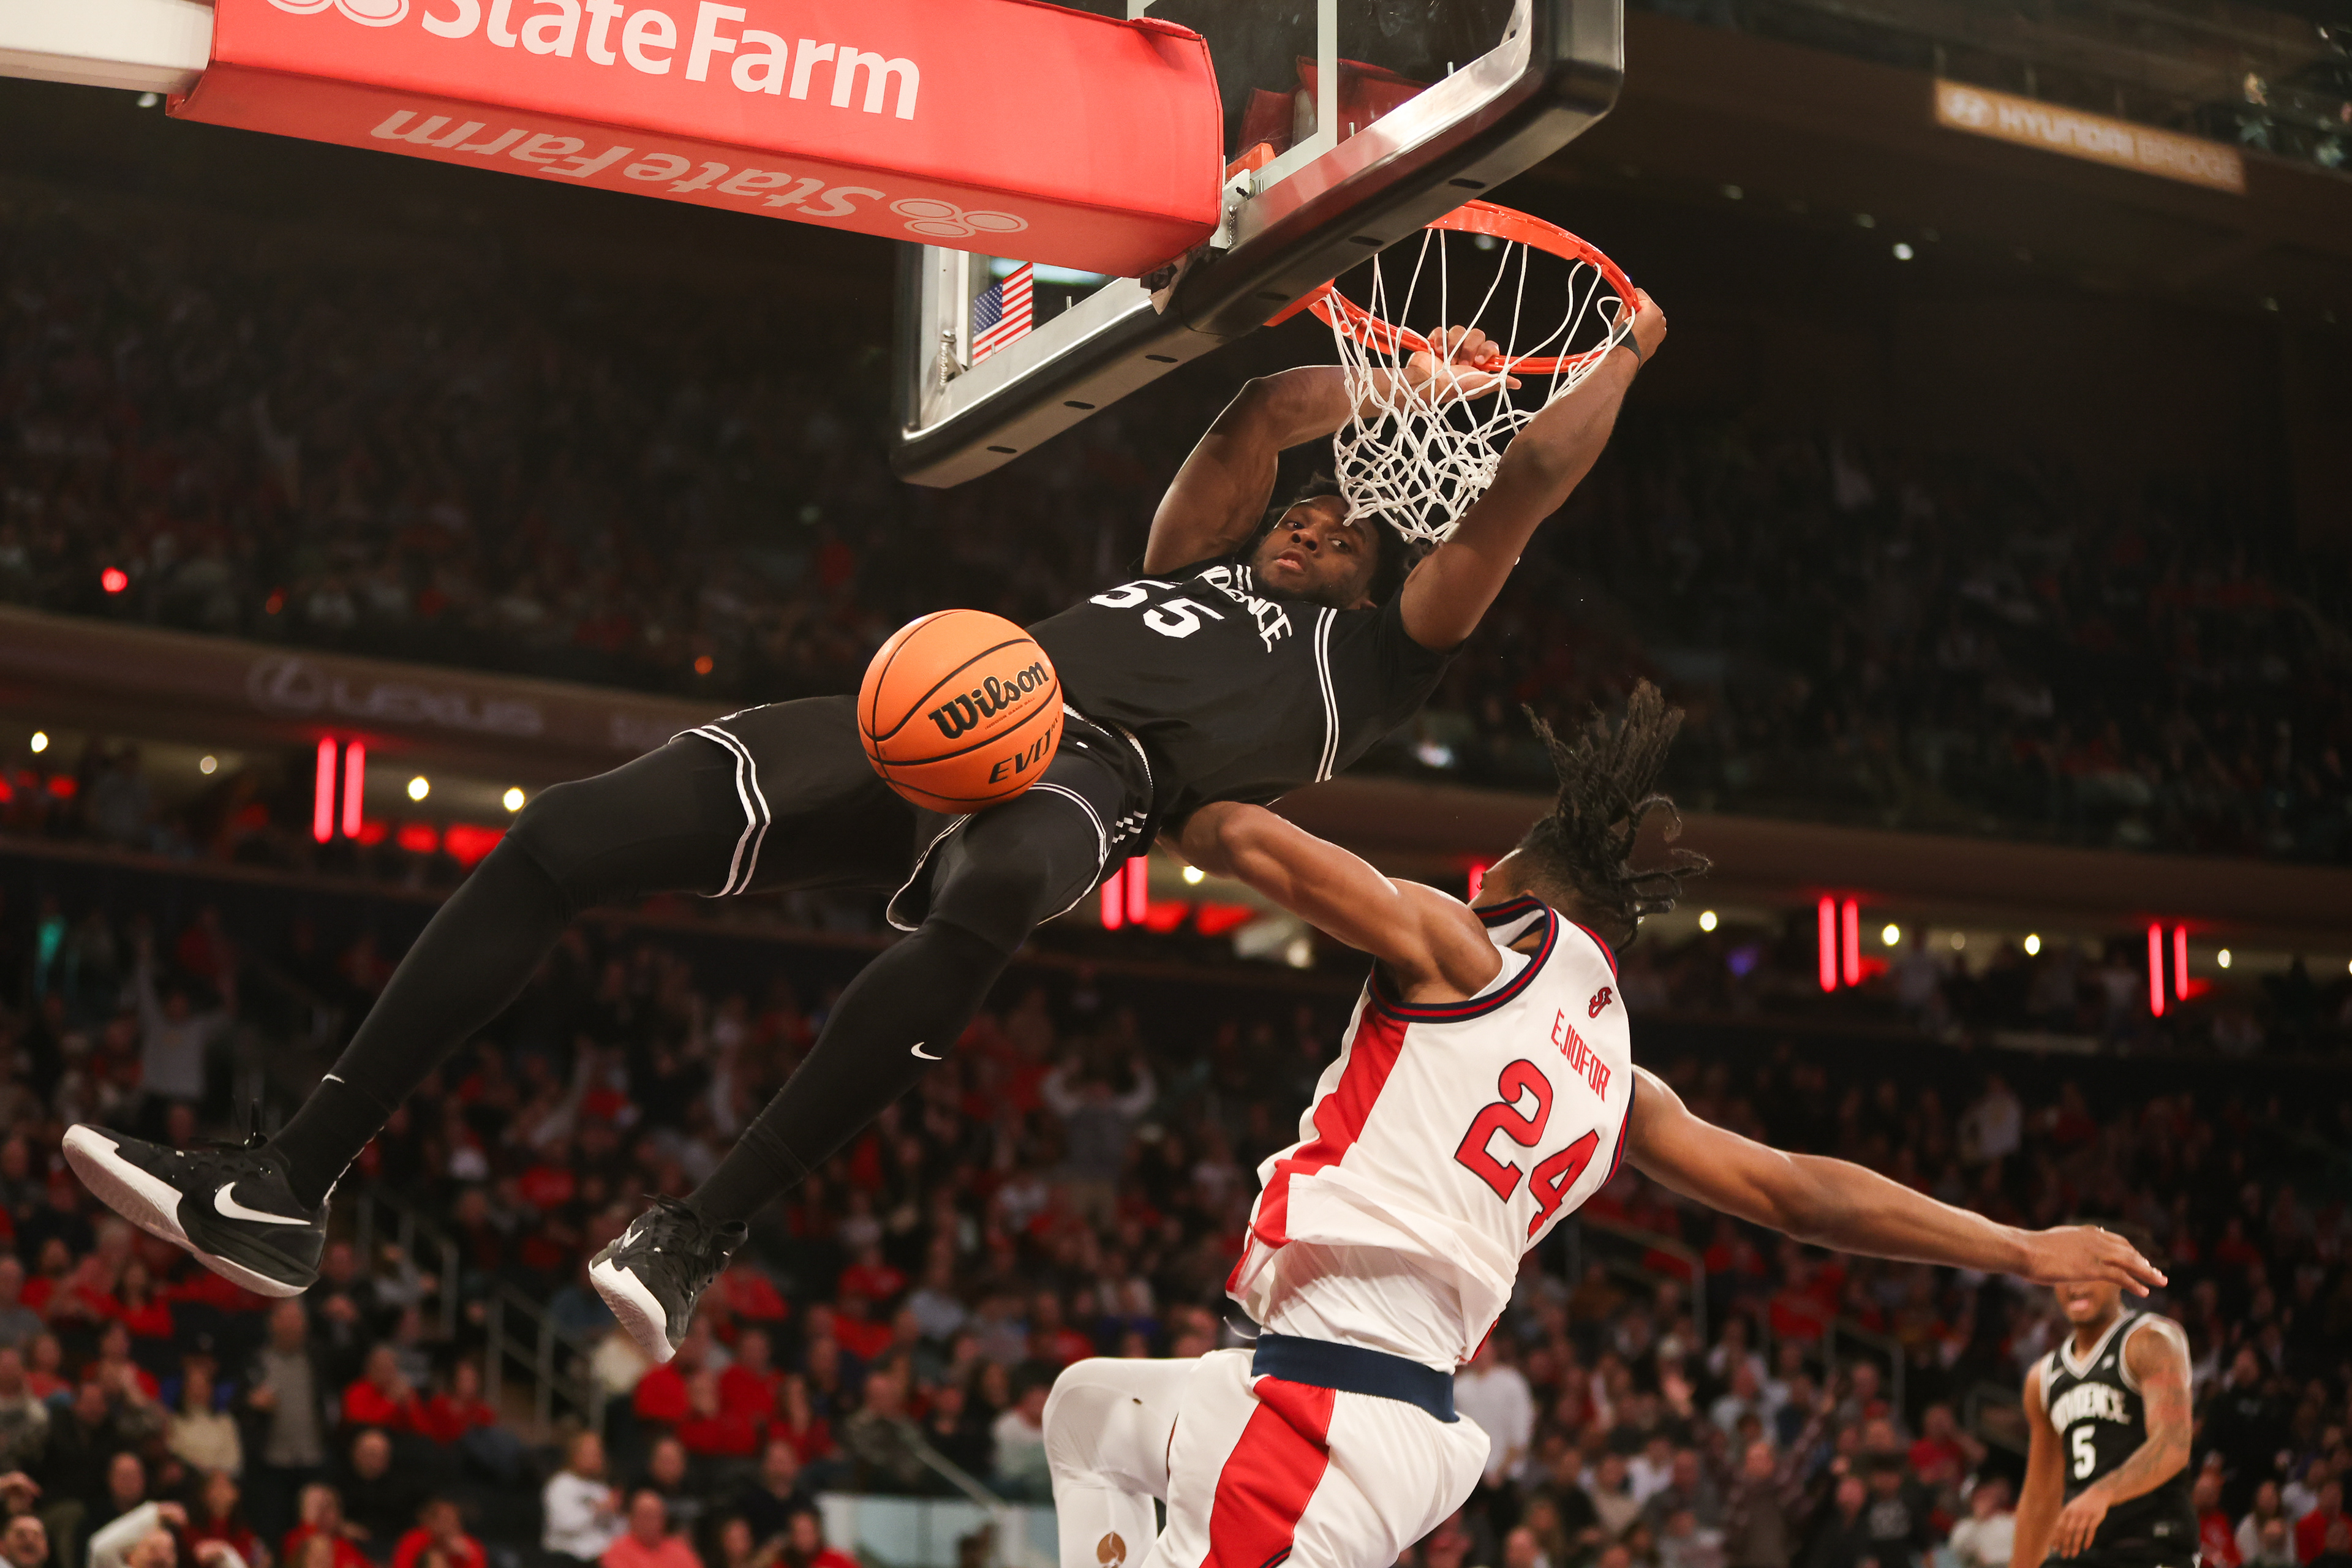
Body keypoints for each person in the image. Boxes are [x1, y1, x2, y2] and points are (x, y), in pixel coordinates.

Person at [62, 298, 1672, 1366]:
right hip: (920, 716)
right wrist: (1392, 377)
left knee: (993, 889)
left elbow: (1521, 485)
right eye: (1311, 502)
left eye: (1352, 519)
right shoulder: (1193, 553)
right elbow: (1261, 407)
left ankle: (694, 1236)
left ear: (1390, 565)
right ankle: (288, 1183)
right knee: (564, 838)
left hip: (1081, 780)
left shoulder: (1377, 661)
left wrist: (1603, 360)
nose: (1322, 511)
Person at [1041, 683, 2162, 1568]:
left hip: (1324, 1414)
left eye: (1491, 875)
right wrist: (2017, 1247)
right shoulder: (1620, 1085)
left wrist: (1128, 752)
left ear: (1521, 882)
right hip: (1357, 1398)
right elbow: (1797, 1192)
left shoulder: (1466, 947)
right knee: (1087, 1415)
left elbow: (1242, 841)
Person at [2011, 1239, 2193, 1568]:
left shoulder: (2150, 1340)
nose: (2077, 1283)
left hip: (2152, 1543)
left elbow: (2172, 1446)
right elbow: (2039, 1497)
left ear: (2119, 1275)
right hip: (2080, 1553)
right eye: (2066, 1274)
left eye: (2089, 1270)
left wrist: (2103, 1492)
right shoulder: (2043, 1378)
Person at [543, 1433, 625, 1565]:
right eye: (589, 1453)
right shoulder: (561, 1484)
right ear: (574, 1455)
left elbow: (617, 1533)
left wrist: (618, 1512)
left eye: (598, 1453)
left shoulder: (602, 1489)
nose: (595, 1458)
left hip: (600, 1558)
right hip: (566, 1557)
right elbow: (565, 1524)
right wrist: (598, 1509)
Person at [601, 1492, 700, 1568]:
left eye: (656, 1516)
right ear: (632, 1519)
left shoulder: (679, 1550)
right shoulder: (617, 1552)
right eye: (645, 1515)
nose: (651, 1522)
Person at [1951, 1479, 2018, 1568]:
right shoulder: (1964, 1526)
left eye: (1986, 1495)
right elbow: (1958, 1550)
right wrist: (1978, 1519)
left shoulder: (2009, 1521)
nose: (1983, 1500)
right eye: (1979, 1497)